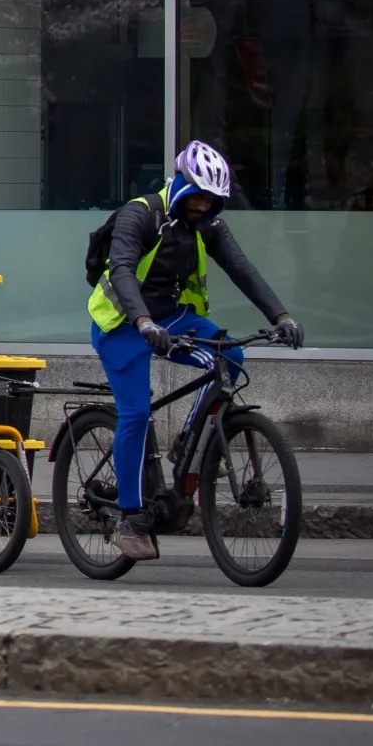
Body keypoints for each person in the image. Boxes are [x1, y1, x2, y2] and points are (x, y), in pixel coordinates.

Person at [88, 141, 304, 561]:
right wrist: (143, 322)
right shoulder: (141, 214)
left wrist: (281, 316)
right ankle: (131, 519)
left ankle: (188, 441)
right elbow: (123, 271)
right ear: (182, 184)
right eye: (198, 196)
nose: (203, 207)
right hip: (122, 323)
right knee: (135, 413)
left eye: (212, 200)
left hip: (172, 318)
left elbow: (242, 268)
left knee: (229, 357)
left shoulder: (207, 224)